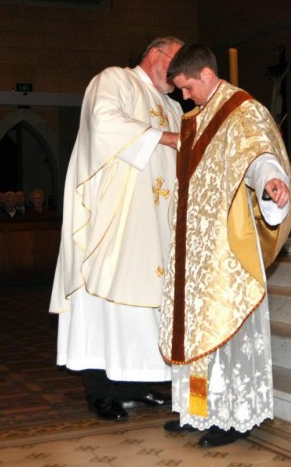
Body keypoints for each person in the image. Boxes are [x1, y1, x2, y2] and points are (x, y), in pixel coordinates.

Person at [158, 44, 291, 447]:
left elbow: (258, 154)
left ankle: (237, 415)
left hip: (224, 251)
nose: (183, 96)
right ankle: (199, 410)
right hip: (193, 250)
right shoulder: (196, 119)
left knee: (227, 334)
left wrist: (271, 181)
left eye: (185, 87)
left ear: (204, 75)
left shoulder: (241, 110)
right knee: (198, 339)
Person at [49, 36, 185, 422]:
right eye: (176, 62)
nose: (178, 76)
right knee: (103, 302)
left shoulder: (173, 106)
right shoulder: (113, 80)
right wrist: (166, 138)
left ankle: (137, 384)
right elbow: (104, 122)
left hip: (156, 225)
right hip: (115, 220)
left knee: (147, 309)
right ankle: (102, 391)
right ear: (155, 54)